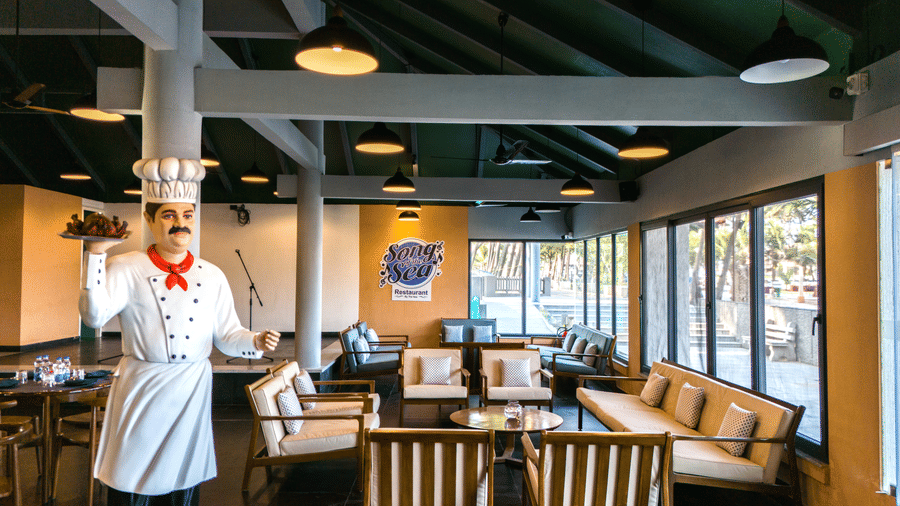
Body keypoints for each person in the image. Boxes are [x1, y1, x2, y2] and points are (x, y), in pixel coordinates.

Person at [80, 183, 279, 505]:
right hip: (142, 384)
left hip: (191, 385)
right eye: (169, 214)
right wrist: (96, 256)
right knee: (132, 469)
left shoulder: (211, 274)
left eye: (187, 214)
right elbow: (94, 317)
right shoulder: (125, 266)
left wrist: (255, 340)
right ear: (149, 219)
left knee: (184, 469)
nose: (180, 222)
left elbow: (228, 335)